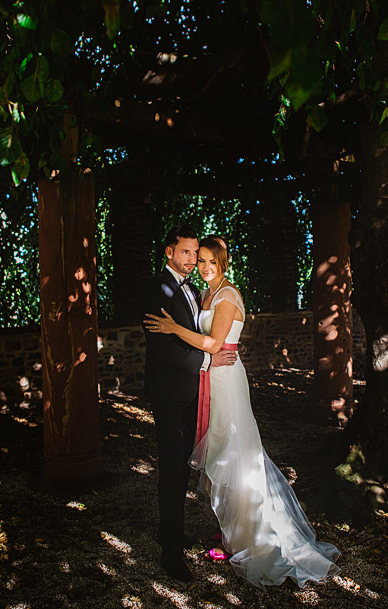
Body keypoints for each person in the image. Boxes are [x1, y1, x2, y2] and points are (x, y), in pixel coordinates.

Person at [145, 235, 340, 588]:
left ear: (224, 263)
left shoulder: (226, 295)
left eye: (208, 260)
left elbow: (215, 344)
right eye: (197, 258)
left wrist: (174, 328)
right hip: (206, 379)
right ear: (172, 253)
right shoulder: (201, 292)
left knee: (237, 455)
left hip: (224, 378)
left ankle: (254, 537)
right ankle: (223, 534)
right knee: (220, 456)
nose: (202, 265)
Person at [139, 224, 239, 582]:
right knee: (171, 468)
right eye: (185, 252)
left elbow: (200, 336)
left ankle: (174, 532)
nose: (192, 259)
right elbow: (162, 346)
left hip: (193, 391)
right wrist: (207, 362)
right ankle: (170, 553)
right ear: (169, 252)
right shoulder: (157, 288)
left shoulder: (195, 289)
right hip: (169, 394)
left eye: (195, 253)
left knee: (183, 467)